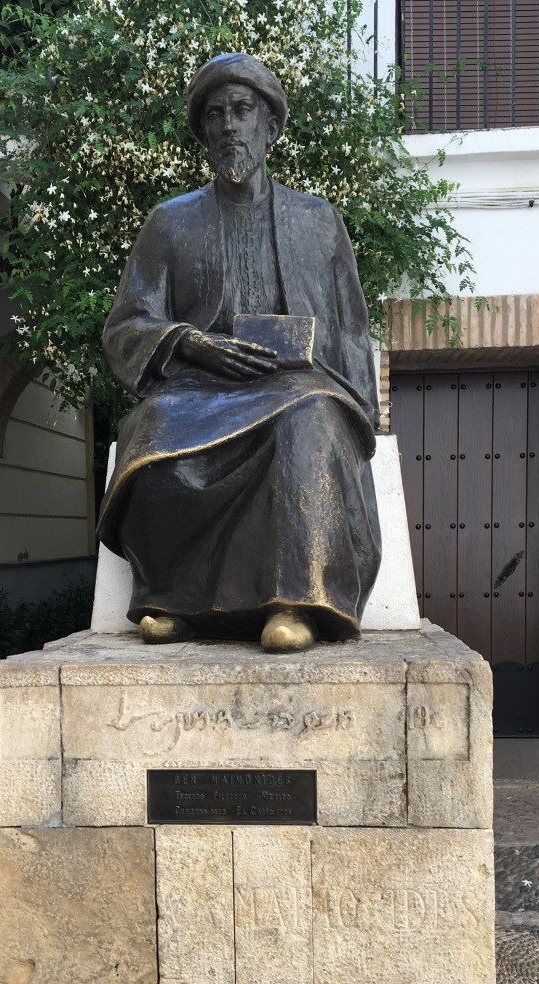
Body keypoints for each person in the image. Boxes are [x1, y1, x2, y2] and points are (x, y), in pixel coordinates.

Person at [97, 52, 381, 653]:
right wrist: (192, 342)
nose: (230, 125)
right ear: (204, 132)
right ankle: (176, 600)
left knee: (310, 417)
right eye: (216, 114)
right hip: (199, 386)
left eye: (243, 111)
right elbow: (127, 324)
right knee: (154, 427)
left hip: (297, 381)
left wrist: (358, 409)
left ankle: (294, 602)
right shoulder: (169, 222)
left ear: (269, 126)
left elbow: (352, 328)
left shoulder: (318, 221)